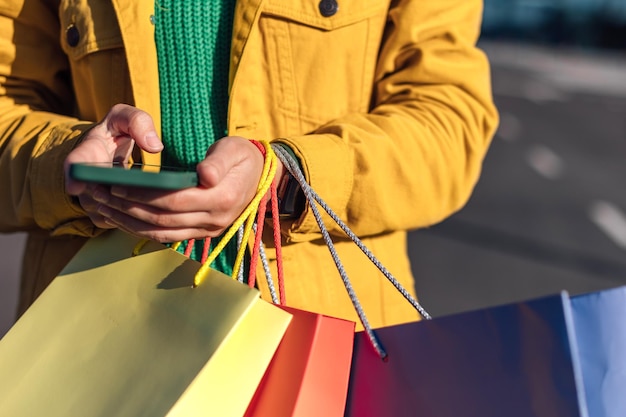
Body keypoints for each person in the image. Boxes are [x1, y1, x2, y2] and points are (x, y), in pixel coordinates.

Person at [0, 0, 498, 329]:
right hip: (97, 345)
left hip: (324, 345)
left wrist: (286, 180)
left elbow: (448, 123)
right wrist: (67, 166)